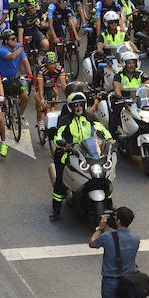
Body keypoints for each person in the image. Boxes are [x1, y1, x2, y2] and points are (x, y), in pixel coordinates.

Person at [50, 92, 112, 221]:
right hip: (69, 153)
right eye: (75, 105)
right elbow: (58, 135)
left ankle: (109, 205)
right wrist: (62, 144)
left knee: (106, 176)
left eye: (80, 105)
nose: (78, 107)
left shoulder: (90, 117)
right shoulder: (65, 120)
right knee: (61, 180)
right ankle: (56, 210)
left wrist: (110, 140)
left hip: (89, 153)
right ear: (71, 107)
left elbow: (102, 129)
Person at [89, 207, 140, 298]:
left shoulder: (107, 237)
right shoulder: (136, 238)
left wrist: (100, 229)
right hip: (128, 281)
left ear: (118, 220)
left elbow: (92, 243)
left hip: (110, 282)